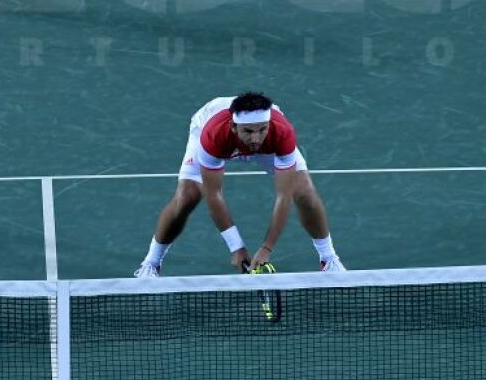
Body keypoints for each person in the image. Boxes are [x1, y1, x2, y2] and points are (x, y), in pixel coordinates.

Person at [134, 91, 346, 277]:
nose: (256, 138)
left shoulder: (281, 133)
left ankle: (328, 259)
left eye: (261, 129)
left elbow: (284, 195)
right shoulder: (213, 135)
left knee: (305, 193)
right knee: (187, 196)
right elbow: (213, 194)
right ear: (233, 127)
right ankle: (151, 263)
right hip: (209, 125)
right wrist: (236, 247)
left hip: (269, 147)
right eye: (249, 131)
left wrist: (266, 248)